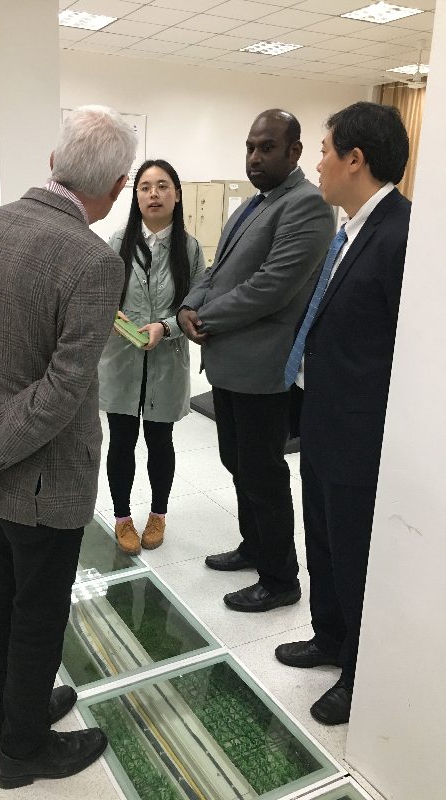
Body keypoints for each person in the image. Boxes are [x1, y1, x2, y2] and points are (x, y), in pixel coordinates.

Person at [0, 105, 137, 789]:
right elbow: (59, 395)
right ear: (119, 186)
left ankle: (1, 717)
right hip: (43, 481)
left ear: (52, 162)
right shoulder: (94, 261)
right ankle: (23, 750)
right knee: (37, 614)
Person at [277, 102, 411, 726]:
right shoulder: (352, 229)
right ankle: (329, 637)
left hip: (362, 432)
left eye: (325, 151)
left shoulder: (401, 235)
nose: (317, 164)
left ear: (356, 159)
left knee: (355, 555)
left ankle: (360, 673)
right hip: (324, 419)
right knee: (325, 542)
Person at [178, 109, 335, 612]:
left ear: (295, 151)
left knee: (263, 475)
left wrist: (207, 317)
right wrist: (187, 306)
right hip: (229, 365)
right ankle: (255, 547)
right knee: (238, 464)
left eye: (267, 147)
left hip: (263, 371)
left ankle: (280, 579)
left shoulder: (308, 205)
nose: (254, 157)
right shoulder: (252, 204)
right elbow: (215, 268)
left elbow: (272, 287)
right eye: (250, 147)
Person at [99, 159, 206, 555]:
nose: (153, 194)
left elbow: (198, 304)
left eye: (162, 186)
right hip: (121, 358)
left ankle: (158, 514)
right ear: (136, 197)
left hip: (167, 358)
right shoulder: (117, 242)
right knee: (121, 441)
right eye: (145, 187)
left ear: (176, 195)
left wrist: (166, 326)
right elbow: (100, 296)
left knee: (161, 441)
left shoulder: (189, 249)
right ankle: (122, 518)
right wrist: (114, 317)